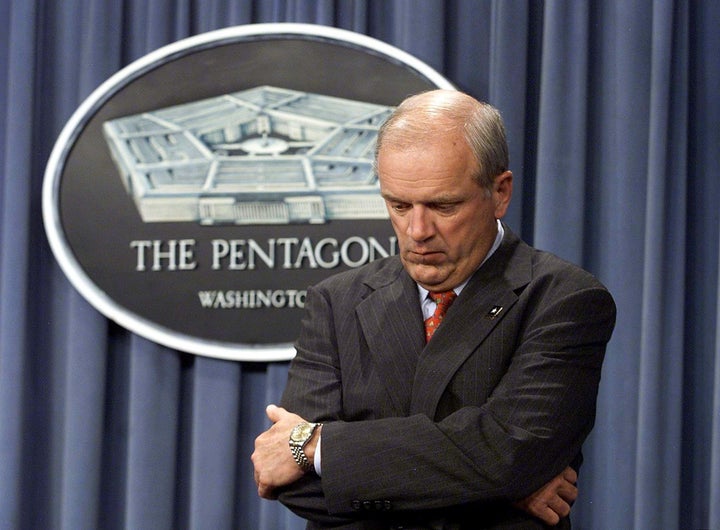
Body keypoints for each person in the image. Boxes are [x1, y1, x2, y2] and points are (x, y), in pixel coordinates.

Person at [252, 89, 616, 529]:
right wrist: (499, 492)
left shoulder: (564, 299)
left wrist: (317, 448)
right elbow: (292, 485)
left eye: (444, 206)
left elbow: (509, 453)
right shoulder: (336, 301)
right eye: (399, 205)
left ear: (500, 192)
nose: (416, 231)